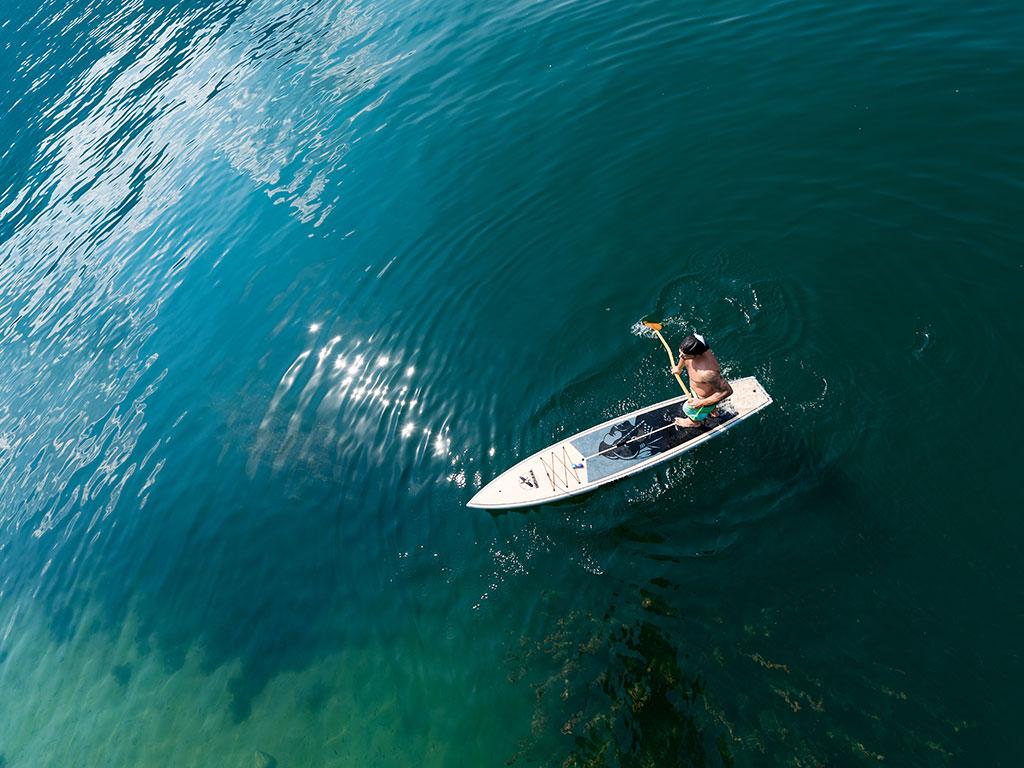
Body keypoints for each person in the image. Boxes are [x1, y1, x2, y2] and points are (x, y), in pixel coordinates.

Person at [671, 332, 733, 427]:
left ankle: (694, 422)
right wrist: (679, 368)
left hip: (703, 399)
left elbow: (727, 391)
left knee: (687, 409)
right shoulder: (697, 345)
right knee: (709, 405)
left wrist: (701, 403)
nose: (680, 357)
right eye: (680, 353)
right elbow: (685, 353)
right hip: (700, 391)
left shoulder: (708, 373)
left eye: (684, 355)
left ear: (696, 355)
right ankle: (713, 410)